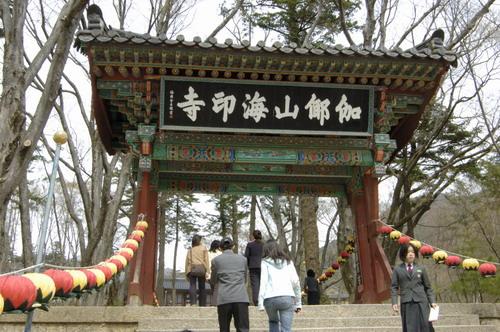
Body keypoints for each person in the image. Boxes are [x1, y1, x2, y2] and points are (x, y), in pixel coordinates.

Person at [391, 243, 437, 332]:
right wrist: (394, 303)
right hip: (407, 302)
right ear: (403, 254)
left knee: (425, 326)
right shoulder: (397, 269)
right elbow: (394, 287)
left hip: (422, 302)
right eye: (408, 252)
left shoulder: (421, 268)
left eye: (412, 252)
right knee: (409, 328)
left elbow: (428, 287)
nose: (411, 254)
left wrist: (432, 301)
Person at [258, 240, 302, 332]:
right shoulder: (288, 262)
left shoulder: (264, 262)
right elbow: (295, 281)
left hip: (269, 298)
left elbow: (263, 282)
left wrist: (260, 303)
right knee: (286, 329)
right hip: (287, 296)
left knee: (273, 322)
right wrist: (298, 302)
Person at [210, 237, 250, 332]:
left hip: (224, 298)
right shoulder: (243, 259)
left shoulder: (216, 261)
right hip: (241, 297)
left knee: (224, 329)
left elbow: (213, 280)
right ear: (233, 246)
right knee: (243, 329)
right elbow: (245, 279)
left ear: (220, 248)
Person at [185, 234, 209, 306]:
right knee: (202, 287)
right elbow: (206, 260)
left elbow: (187, 261)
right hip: (202, 269)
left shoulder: (190, 250)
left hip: (192, 269)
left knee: (192, 286)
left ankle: (193, 303)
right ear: (199, 241)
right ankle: (202, 304)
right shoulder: (204, 248)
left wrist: (186, 273)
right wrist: (207, 271)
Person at [244, 229, 264, 306]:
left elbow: (246, 256)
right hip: (263, 266)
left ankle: (256, 300)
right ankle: (263, 300)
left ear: (253, 236)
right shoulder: (264, 245)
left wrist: (249, 265)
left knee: (255, 284)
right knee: (263, 283)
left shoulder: (250, 245)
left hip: (253, 266)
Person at [208, 239, 222, 306]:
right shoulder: (220, 253)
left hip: (210, 274)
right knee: (218, 290)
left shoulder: (208, 253)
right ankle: (216, 303)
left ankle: (214, 302)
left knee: (213, 290)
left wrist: (207, 274)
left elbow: (207, 264)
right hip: (218, 274)